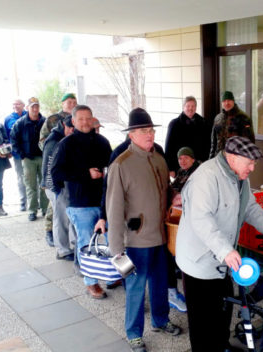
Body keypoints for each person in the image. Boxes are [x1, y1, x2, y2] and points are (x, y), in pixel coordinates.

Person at [176, 136, 263, 352]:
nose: (252, 168)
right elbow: (201, 220)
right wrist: (226, 250)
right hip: (200, 263)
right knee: (202, 321)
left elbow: (250, 207)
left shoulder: (239, 176)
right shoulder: (206, 177)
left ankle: (221, 345)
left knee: (222, 310)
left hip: (223, 261)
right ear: (232, 157)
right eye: (249, 163)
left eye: (254, 163)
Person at [106, 108, 182, 352]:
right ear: (131, 135)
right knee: (136, 289)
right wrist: (116, 249)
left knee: (160, 283)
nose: (149, 135)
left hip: (161, 235)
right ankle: (134, 333)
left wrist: (174, 196)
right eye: (143, 131)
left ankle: (161, 320)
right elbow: (114, 209)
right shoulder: (121, 164)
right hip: (136, 240)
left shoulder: (159, 158)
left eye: (151, 130)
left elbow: (164, 190)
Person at [51, 105, 115, 299]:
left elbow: (112, 168)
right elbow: (56, 173)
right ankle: (91, 282)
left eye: (88, 118)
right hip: (80, 203)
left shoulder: (103, 142)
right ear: (73, 121)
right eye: (81, 119)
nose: (85, 122)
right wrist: (84, 174)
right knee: (86, 243)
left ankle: (113, 275)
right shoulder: (66, 144)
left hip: (105, 200)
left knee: (114, 239)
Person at [42, 115, 76, 259]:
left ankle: (74, 244)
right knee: (60, 217)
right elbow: (48, 167)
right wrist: (55, 188)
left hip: (65, 184)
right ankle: (62, 250)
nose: (72, 131)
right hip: (56, 186)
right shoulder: (53, 141)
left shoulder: (68, 139)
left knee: (69, 216)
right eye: (70, 128)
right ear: (63, 125)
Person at [10, 97, 48, 221]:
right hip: (28, 159)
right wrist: (22, 154)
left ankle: (45, 209)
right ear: (27, 108)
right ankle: (32, 210)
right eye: (32, 106)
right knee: (30, 186)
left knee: (44, 185)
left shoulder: (45, 121)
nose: (35, 109)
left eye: (37, 106)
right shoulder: (20, 123)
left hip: (42, 158)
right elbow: (14, 140)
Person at [164, 96, 210, 177]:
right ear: (183, 107)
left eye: (193, 106)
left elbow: (208, 144)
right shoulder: (174, 124)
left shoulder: (203, 123)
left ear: (196, 107)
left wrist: (206, 163)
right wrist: (171, 168)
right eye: (188, 106)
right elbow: (169, 148)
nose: (190, 109)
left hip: (199, 166)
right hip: (181, 167)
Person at [209, 91, 255, 158]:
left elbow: (249, 141)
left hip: (237, 158)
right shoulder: (217, 118)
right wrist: (211, 158)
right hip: (220, 157)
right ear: (221, 103)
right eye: (224, 101)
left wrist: (248, 158)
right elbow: (214, 142)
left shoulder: (243, 118)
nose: (227, 103)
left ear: (233, 101)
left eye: (229, 100)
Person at [3, 98, 27, 211]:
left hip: (30, 152)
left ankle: (35, 201)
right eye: (14, 104)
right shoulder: (9, 118)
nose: (15, 106)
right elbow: (8, 134)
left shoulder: (28, 114)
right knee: (21, 178)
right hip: (18, 153)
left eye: (18, 104)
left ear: (23, 105)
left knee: (35, 178)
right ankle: (23, 201)